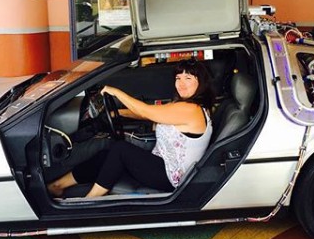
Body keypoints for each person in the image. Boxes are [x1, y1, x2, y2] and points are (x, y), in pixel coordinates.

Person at [47, 59, 214, 198]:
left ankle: (88, 201)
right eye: (178, 78)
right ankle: (58, 185)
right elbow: (149, 115)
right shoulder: (184, 106)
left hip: (170, 177)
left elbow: (145, 110)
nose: (181, 84)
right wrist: (116, 113)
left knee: (120, 149)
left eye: (188, 79)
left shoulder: (192, 110)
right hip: (162, 165)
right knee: (108, 151)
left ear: (201, 83)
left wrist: (116, 93)